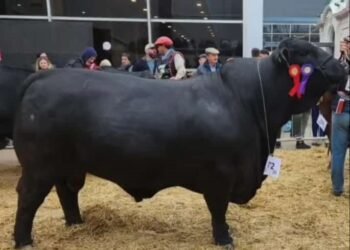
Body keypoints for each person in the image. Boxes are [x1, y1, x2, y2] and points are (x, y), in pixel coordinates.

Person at [331, 36, 350, 196]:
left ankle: (338, 188)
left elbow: (332, 86)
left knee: (338, 152)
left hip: (341, 109)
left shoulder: (339, 65)